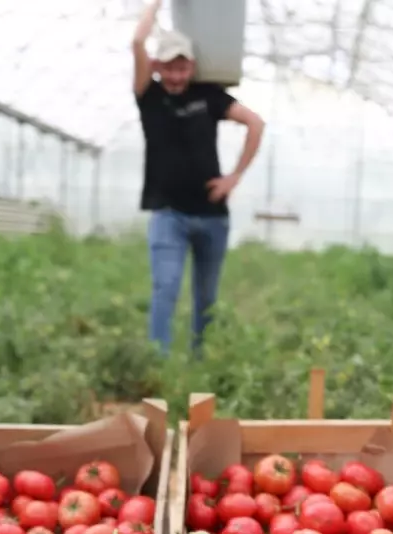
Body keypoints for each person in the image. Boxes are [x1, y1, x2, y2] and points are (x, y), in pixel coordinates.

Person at [132, 0, 265, 355]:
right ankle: (159, 363)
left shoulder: (209, 97)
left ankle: (200, 361)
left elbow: (256, 123)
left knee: (206, 298)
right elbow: (136, 43)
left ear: (192, 66)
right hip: (168, 214)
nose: (176, 76)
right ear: (158, 67)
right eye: (169, 68)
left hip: (212, 215)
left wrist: (233, 177)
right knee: (166, 286)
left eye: (182, 68)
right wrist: (157, 3)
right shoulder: (150, 96)